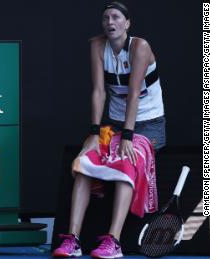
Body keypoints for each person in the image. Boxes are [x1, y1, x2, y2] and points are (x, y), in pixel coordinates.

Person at [53, 2, 166, 258]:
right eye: (105, 18)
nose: (110, 22)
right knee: (83, 163)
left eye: (116, 17)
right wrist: (94, 133)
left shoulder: (140, 47)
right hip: (114, 124)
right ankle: (73, 240)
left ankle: (113, 242)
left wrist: (127, 135)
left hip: (149, 125)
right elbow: (99, 91)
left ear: (127, 24)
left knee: (127, 162)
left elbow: (134, 94)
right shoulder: (97, 45)